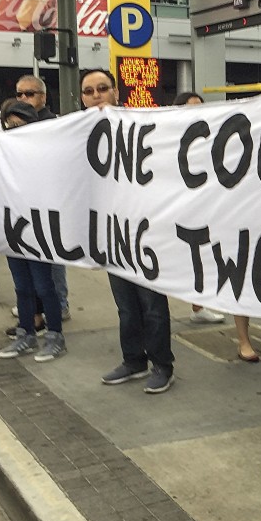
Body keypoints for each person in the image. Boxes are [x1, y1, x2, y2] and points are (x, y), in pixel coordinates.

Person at [83, 69, 176, 394]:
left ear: (115, 93)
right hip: (110, 236)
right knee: (126, 305)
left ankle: (162, 364)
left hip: (145, 232)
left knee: (151, 304)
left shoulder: (141, 126)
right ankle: (133, 359)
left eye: (102, 88)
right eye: (89, 91)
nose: (96, 95)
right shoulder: (77, 134)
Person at [0, 100, 67, 362]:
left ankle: (55, 336)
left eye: (18, 123)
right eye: (8, 124)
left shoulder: (44, 154)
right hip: (12, 230)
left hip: (38, 230)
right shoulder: (0, 154)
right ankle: (26, 334)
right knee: (22, 286)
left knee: (44, 286)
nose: (12, 128)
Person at [4, 74, 72, 331]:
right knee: (27, 279)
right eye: (19, 94)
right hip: (21, 216)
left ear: (43, 97)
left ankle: (57, 308)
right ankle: (33, 316)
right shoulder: (10, 131)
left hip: (48, 211)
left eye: (29, 94)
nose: (23, 98)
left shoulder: (55, 125)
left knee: (51, 270)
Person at [172, 90, 225, 325]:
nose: (197, 111)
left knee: (198, 257)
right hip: (175, 208)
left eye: (200, 106)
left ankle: (198, 306)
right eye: (191, 106)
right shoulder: (169, 135)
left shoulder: (209, 135)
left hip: (201, 207)